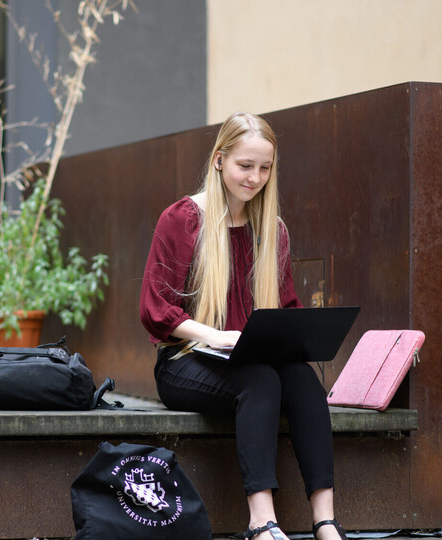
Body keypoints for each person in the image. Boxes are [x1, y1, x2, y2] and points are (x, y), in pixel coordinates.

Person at [139, 112, 348, 540]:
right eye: (245, 166)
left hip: (251, 359)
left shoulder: (271, 230)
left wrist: (304, 334)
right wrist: (214, 336)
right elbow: (154, 308)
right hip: (185, 362)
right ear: (219, 160)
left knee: (304, 382)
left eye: (265, 168)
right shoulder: (182, 220)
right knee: (261, 381)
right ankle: (261, 521)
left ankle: (325, 521)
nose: (255, 178)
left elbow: (286, 307)